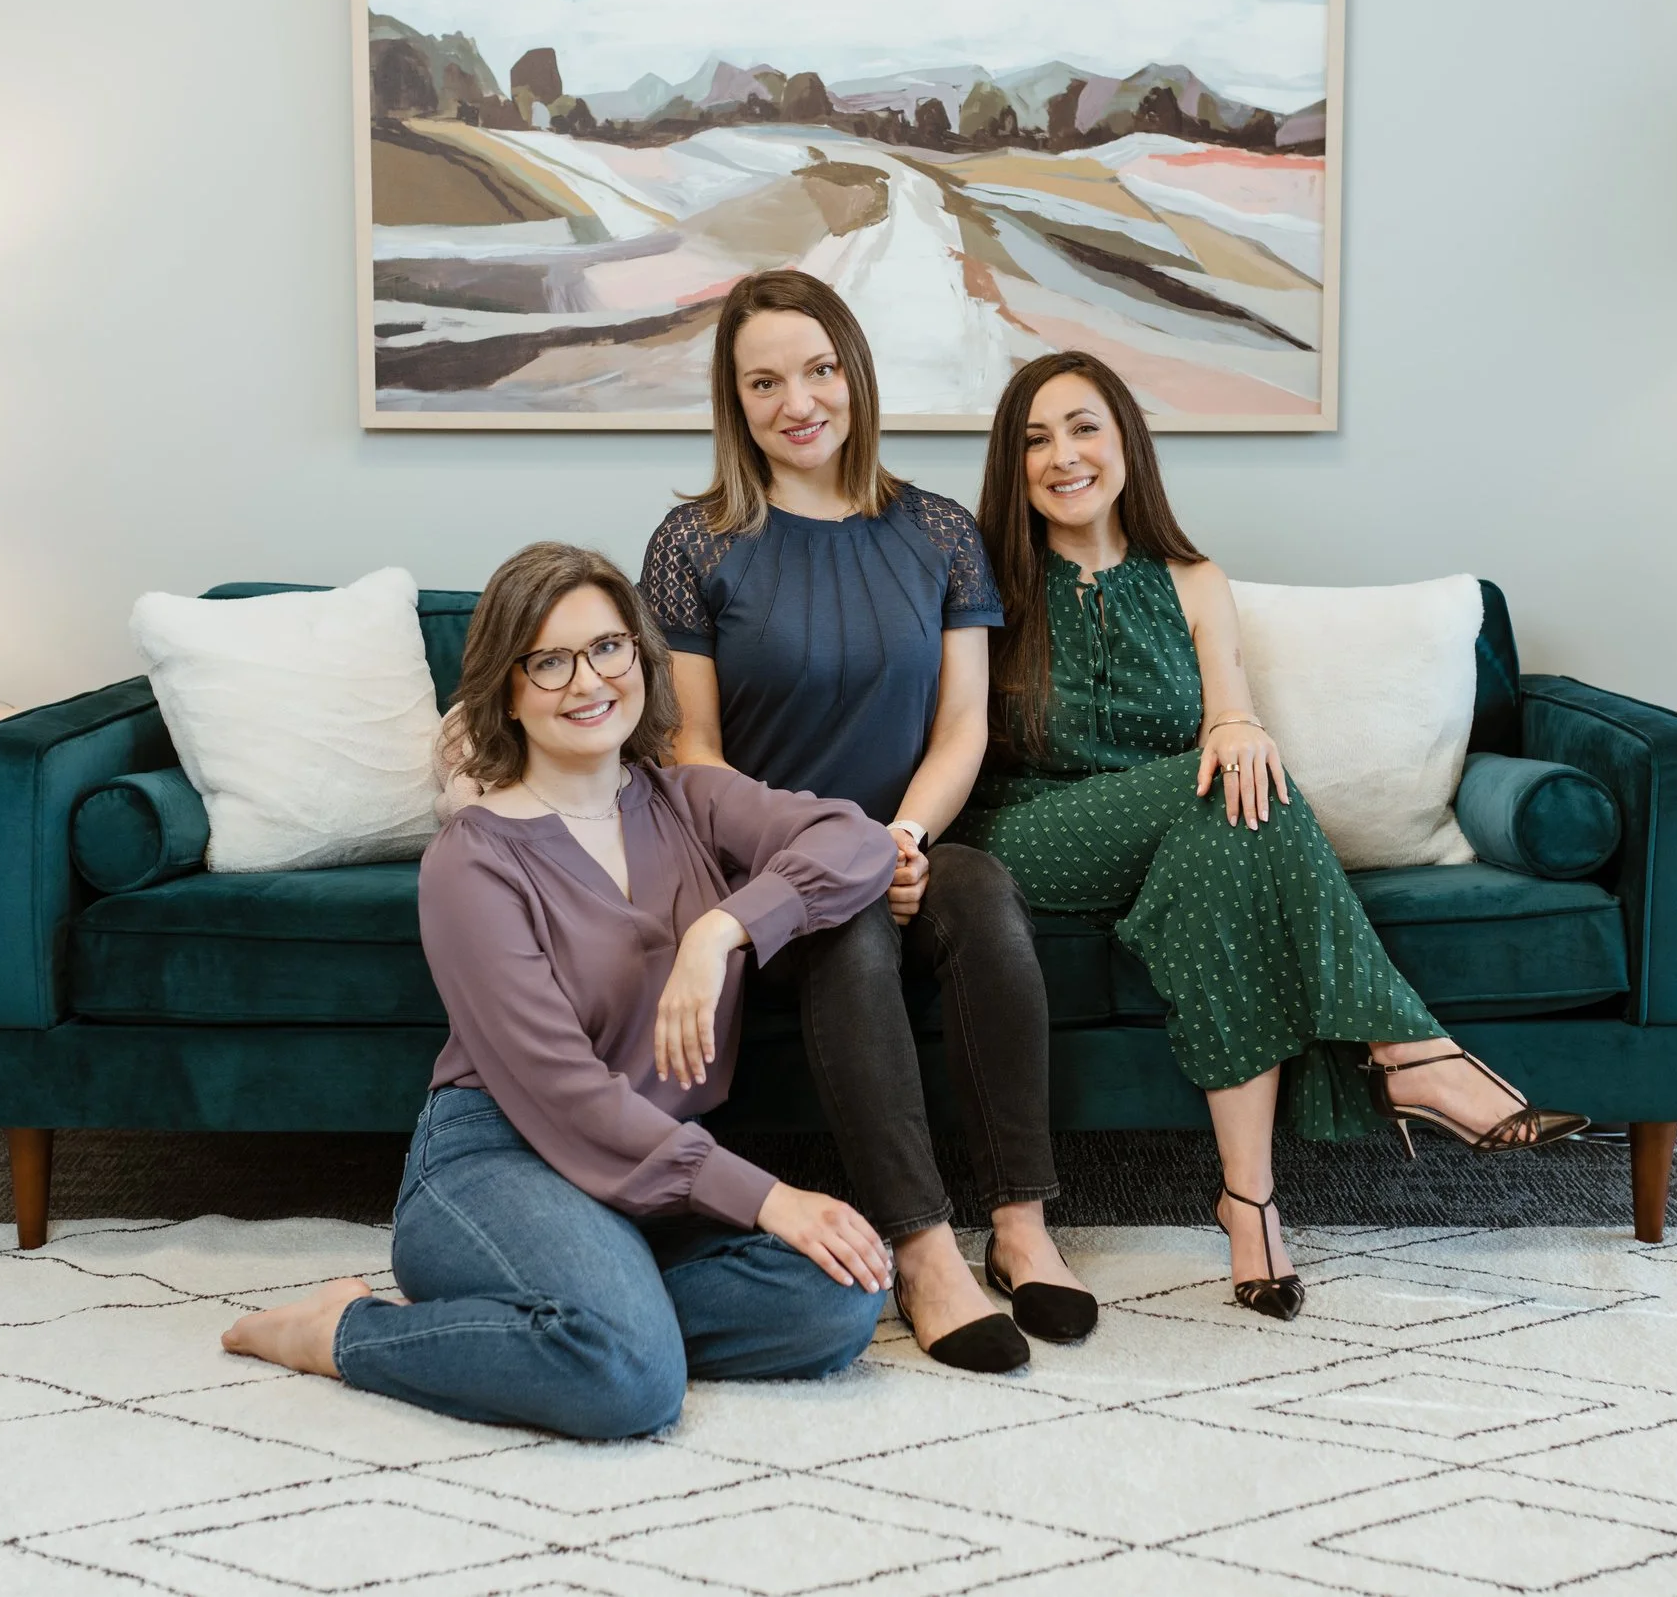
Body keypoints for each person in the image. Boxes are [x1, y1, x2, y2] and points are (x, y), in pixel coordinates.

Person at [959, 352, 1589, 1321]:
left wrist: (1239, 724)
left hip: (1176, 839)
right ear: (1013, 463)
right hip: (1029, 833)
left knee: (1234, 830)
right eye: (1035, 438)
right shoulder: (979, 580)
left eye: (1083, 426)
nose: (1063, 455)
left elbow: (1228, 720)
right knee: (1230, 790)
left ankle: (1250, 1206)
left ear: (1125, 438)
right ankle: (1409, 1048)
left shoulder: (1190, 579)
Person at [222, 543, 893, 1436]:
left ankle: (597, 1315)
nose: (589, 681)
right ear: (507, 688)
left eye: (610, 647)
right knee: (632, 1387)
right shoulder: (473, 859)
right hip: (500, 1156)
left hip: (647, 1162)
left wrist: (723, 926)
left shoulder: (689, 799)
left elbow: (857, 842)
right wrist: (767, 1197)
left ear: (642, 659)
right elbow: (566, 1098)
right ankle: (343, 1330)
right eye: (550, 661)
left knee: (839, 1298)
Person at [637, 270, 1092, 1371]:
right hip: (767, 870)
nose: (797, 399)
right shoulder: (693, 542)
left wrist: (902, 840)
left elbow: (964, 726)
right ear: (734, 401)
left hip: (905, 845)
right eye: (763, 381)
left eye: (817, 368)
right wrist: (821, 857)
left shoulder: (936, 530)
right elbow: (689, 752)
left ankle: (1022, 1223)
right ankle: (926, 1248)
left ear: (853, 372)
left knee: (983, 891)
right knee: (850, 929)